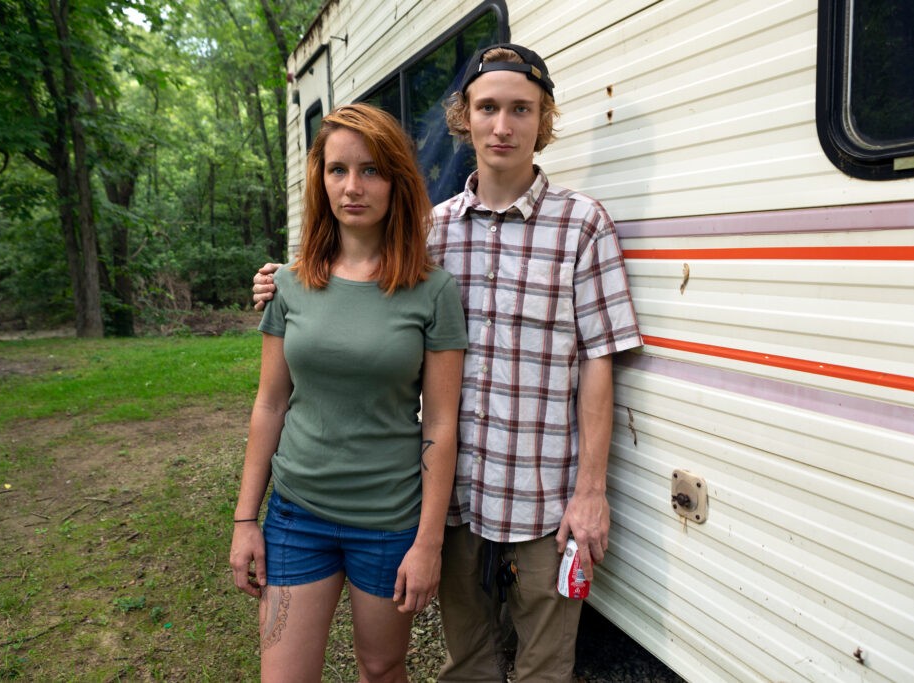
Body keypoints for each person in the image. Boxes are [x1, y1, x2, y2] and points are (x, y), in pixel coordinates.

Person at [253, 44, 641, 681]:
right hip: (450, 497)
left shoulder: (582, 225)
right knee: (469, 662)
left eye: (522, 109)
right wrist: (281, 282)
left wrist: (591, 492)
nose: (503, 125)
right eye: (487, 107)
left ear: (542, 120)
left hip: (542, 491)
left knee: (546, 665)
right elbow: (350, 277)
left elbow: (600, 358)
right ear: (464, 117)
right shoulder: (432, 231)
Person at [230, 102, 468, 683]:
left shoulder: (432, 291)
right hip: (296, 515)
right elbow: (270, 404)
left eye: (371, 171)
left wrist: (428, 543)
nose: (352, 187)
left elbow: (440, 422)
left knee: (382, 668)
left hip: (388, 521)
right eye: (337, 170)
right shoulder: (289, 284)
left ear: (396, 183)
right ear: (320, 180)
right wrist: (245, 520)